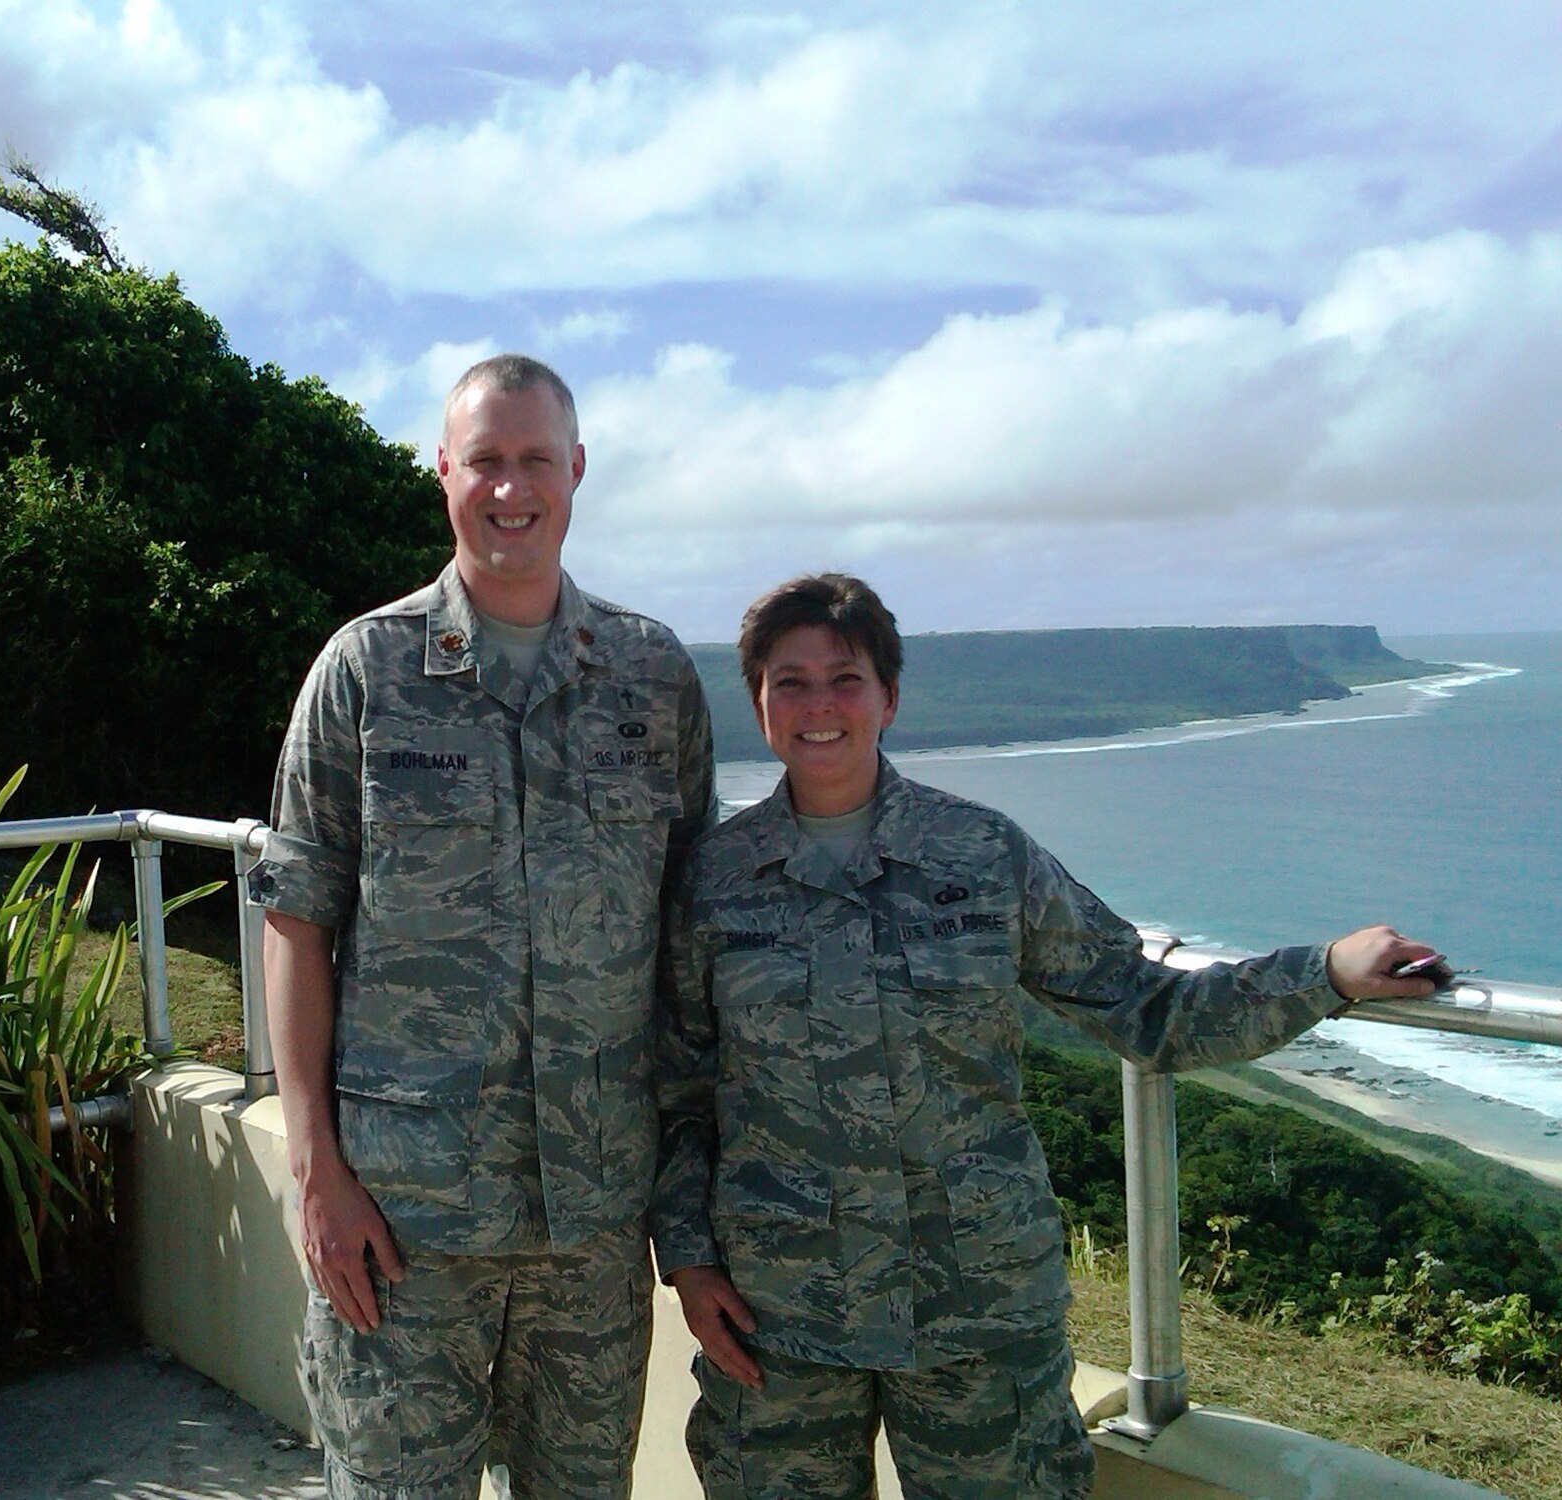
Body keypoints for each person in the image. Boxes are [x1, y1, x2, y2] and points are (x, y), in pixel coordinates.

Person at [650, 573, 1447, 1500]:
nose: (819, 704)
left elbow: (1147, 1007)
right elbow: (676, 1087)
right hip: (778, 1315)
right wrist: (689, 1260)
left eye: (846, 678)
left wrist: (1326, 974)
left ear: (889, 697)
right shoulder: (714, 882)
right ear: (757, 703)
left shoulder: (985, 856)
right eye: (790, 681)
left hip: (979, 1311)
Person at [248, 354, 715, 1499]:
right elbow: (296, 921)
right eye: (486, 462)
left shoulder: (650, 676)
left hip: (594, 1221)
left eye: (536, 462)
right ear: (443, 470)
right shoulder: (365, 671)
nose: (511, 489)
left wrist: (692, 1197)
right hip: (404, 1219)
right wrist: (316, 1171)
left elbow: (689, 936)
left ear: (577, 472)